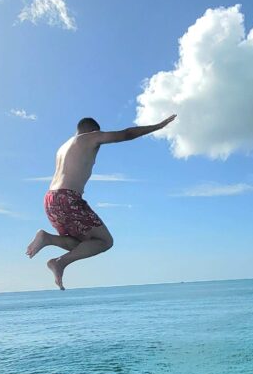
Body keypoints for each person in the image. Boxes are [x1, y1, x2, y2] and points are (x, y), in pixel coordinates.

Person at [26, 114, 177, 290]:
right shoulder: (90, 137)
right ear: (93, 131)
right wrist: (158, 126)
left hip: (50, 200)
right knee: (105, 242)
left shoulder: (62, 148)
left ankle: (48, 239)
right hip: (68, 198)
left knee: (82, 245)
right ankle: (60, 263)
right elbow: (126, 134)